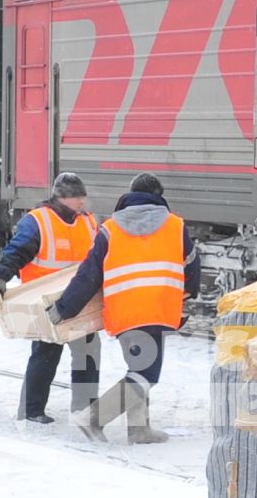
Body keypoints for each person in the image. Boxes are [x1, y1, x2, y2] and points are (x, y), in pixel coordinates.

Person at [48, 172, 200, 444]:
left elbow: (88, 275)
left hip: (125, 312)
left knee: (139, 371)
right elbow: (192, 268)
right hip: (159, 309)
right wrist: (185, 303)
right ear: (159, 195)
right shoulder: (175, 226)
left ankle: (139, 430)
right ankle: (93, 418)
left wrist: (64, 308)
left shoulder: (110, 229)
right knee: (145, 375)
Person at [0, 172, 101, 426]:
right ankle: (31, 410)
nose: (82, 202)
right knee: (45, 354)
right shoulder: (38, 221)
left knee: (88, 353)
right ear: (61, 197)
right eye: (77, 197)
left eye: (83, 197)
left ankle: (84, 409)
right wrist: (0, 277)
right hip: (45, 302)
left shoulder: (89, 222)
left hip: (79, 300)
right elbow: (16, 251)